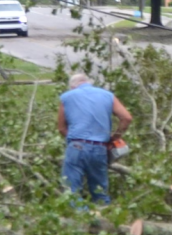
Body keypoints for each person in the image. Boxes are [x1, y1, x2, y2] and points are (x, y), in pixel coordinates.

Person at [57, 71, 133, 205]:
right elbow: (126, 118)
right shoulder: (108, 95)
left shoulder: (66, 97)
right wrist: (114, 138)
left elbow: (62, 128)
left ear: (73, 86)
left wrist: (76, 140)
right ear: (88, 82)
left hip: (76, 146)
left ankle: (81, 221)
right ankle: (105, 220)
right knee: (100, 192)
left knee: (71, 191)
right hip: (100, 148)